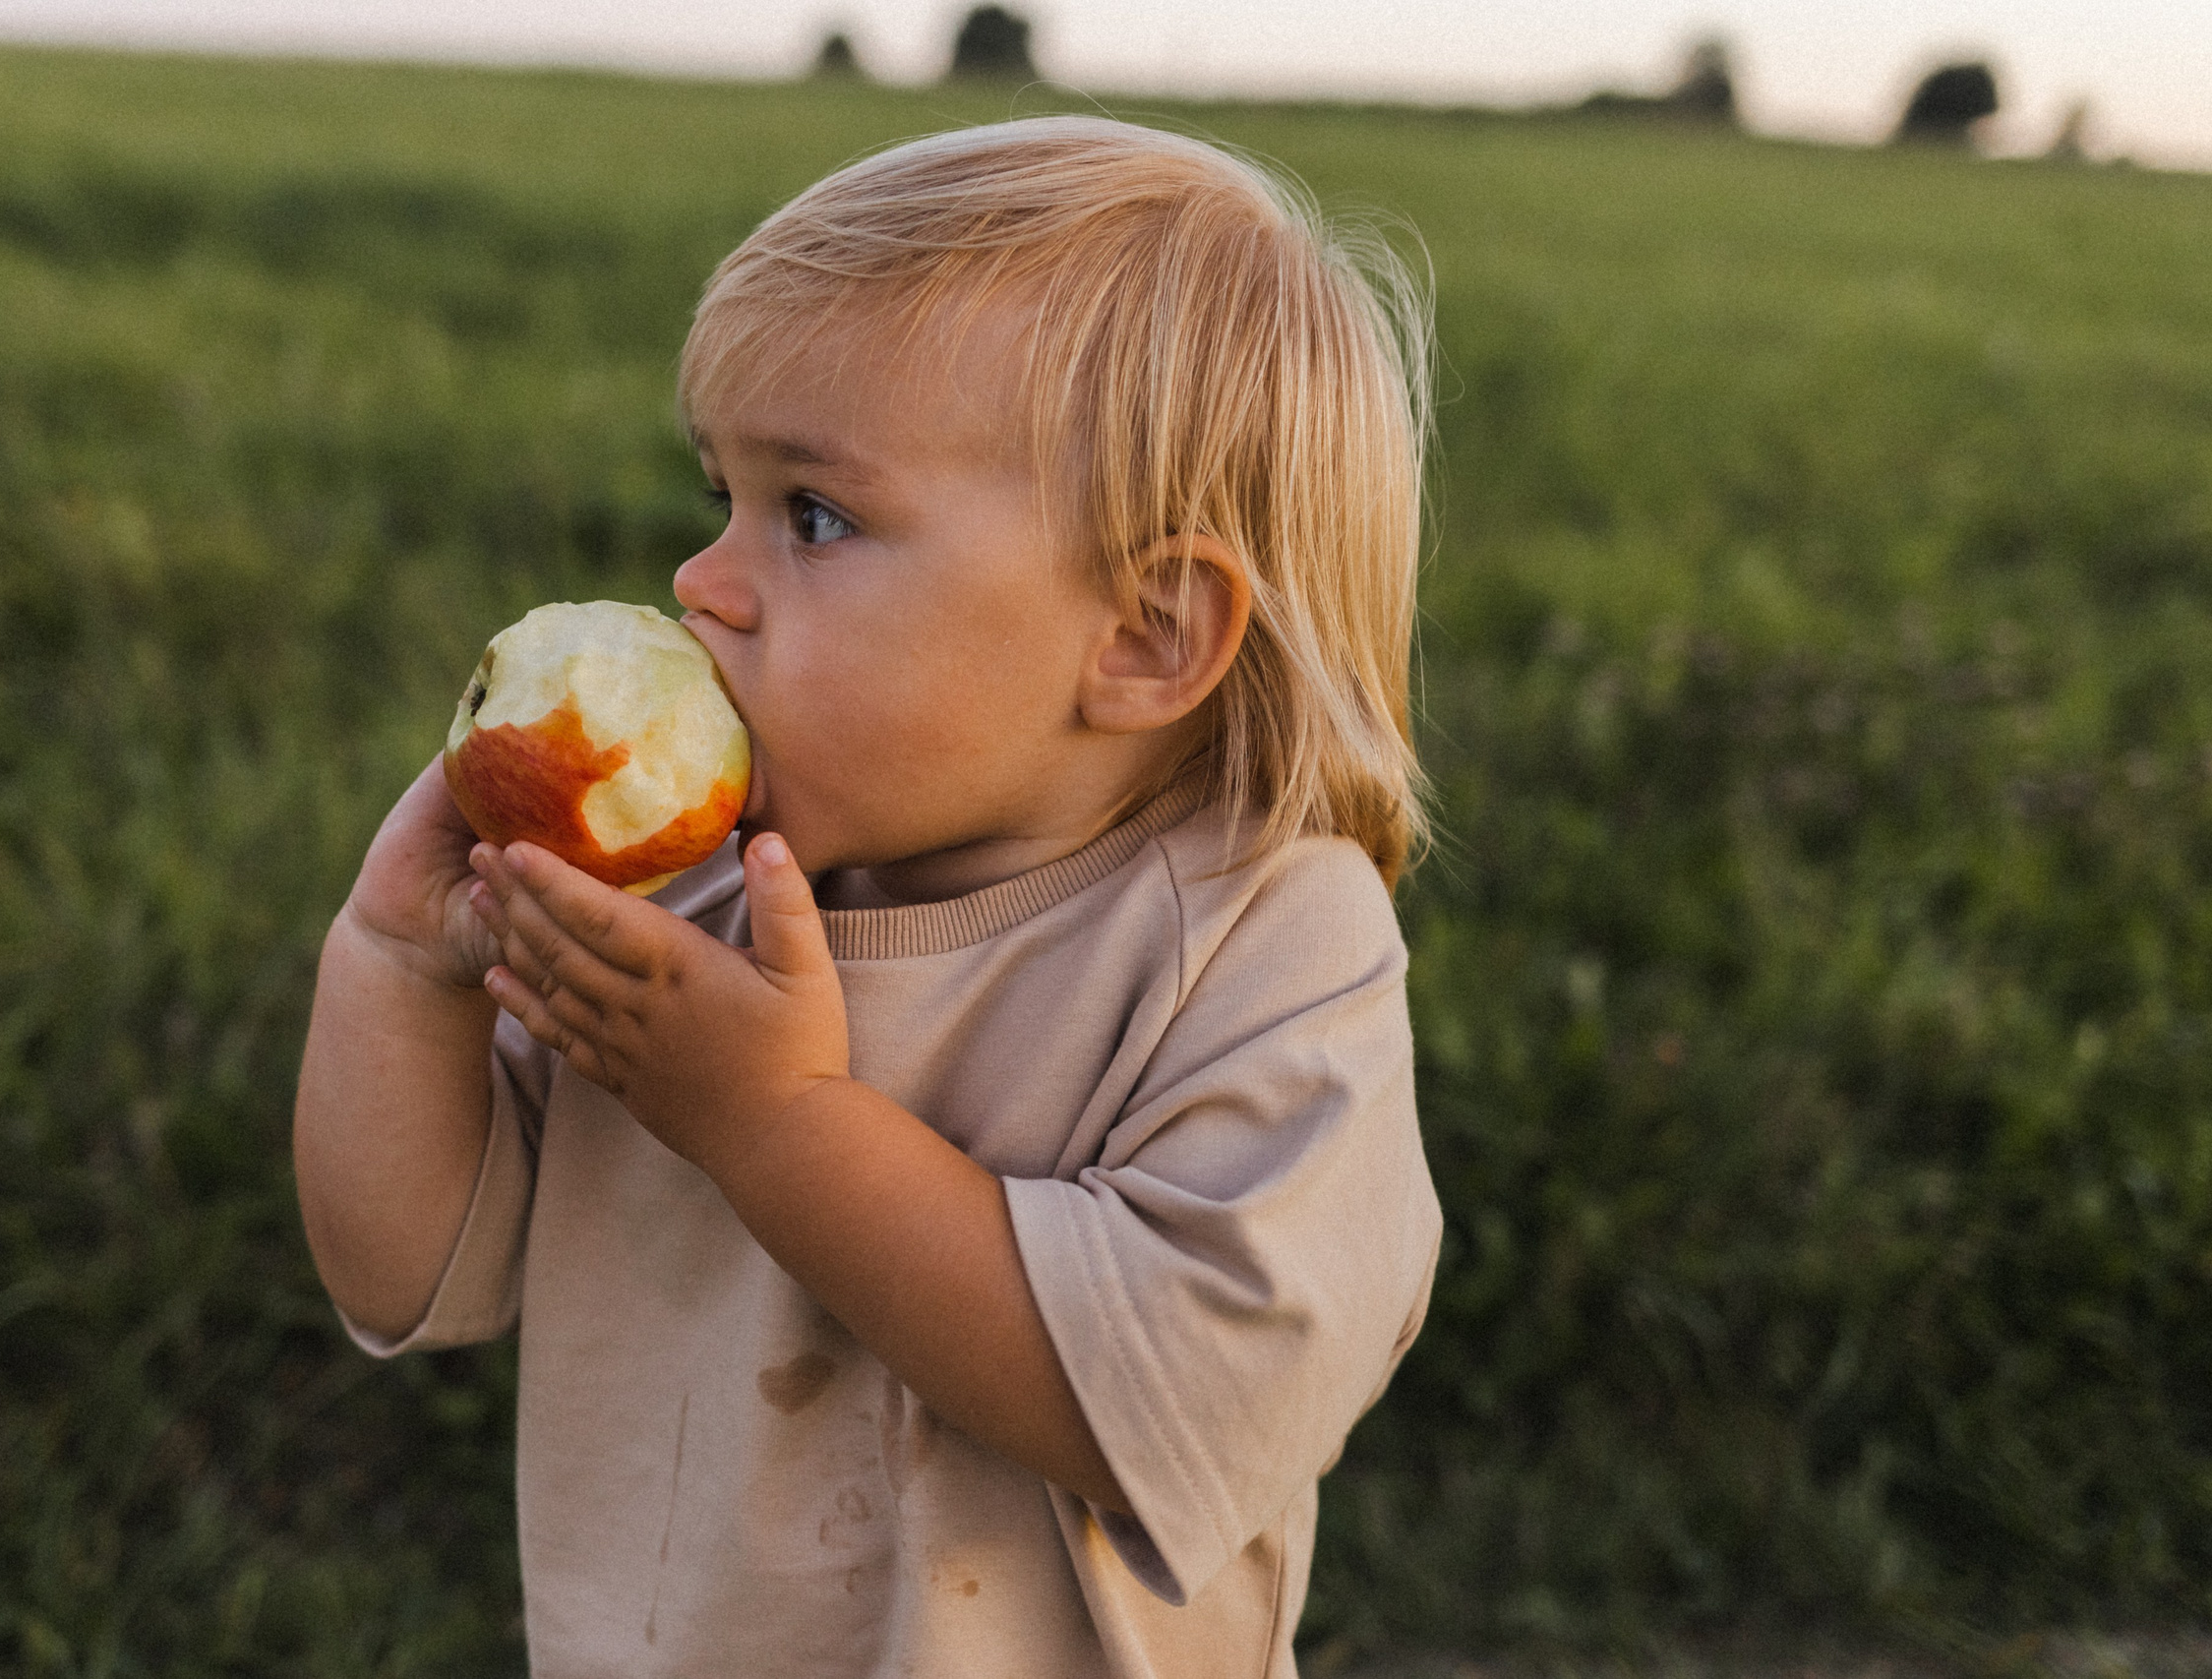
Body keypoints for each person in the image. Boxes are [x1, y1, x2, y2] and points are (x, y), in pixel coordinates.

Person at [293, 115, 1444, 1678]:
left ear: (1147, 637)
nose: (702, 580)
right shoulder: (700, 895)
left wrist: (774, 1128)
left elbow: (1183, 1403)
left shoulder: (1264, 950)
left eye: (813, 517)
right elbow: (410, 1266)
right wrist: (393, 967)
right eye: (723, 494)